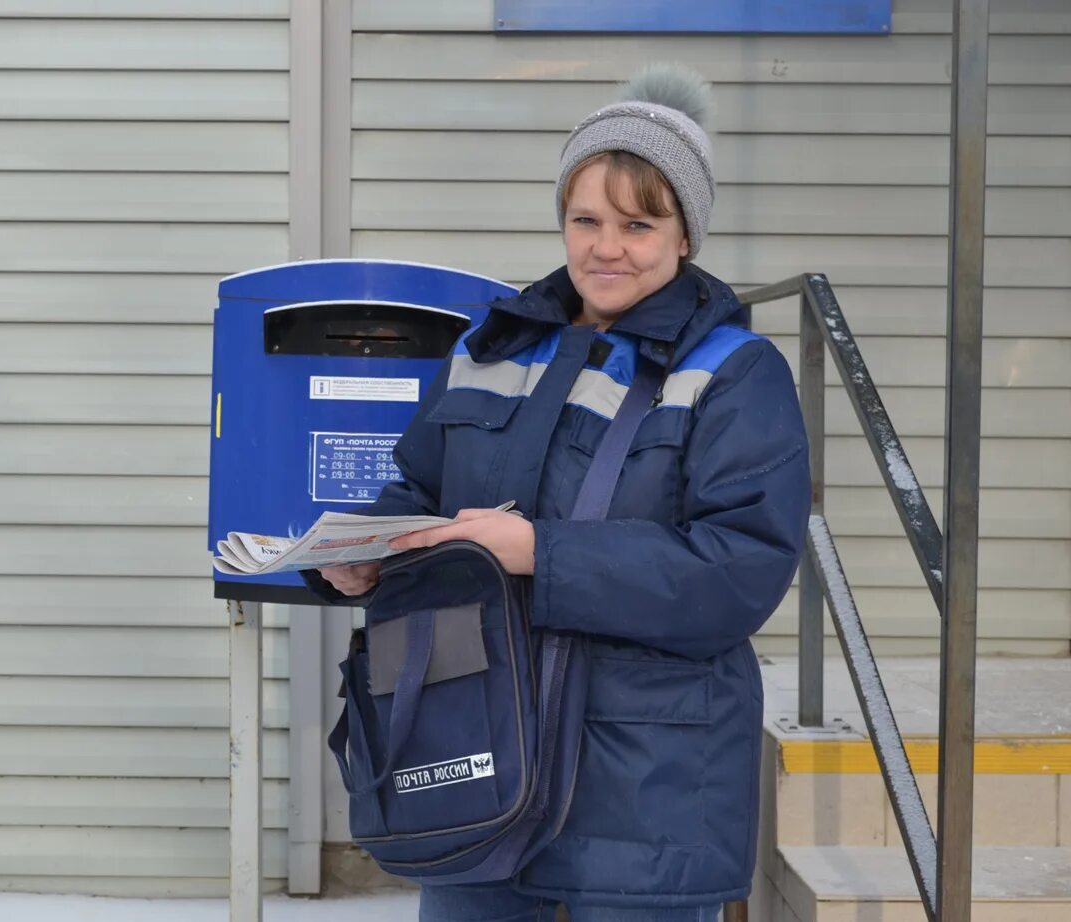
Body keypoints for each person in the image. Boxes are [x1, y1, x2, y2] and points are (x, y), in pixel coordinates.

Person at [311, 65, 811, 922]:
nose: (605, 247)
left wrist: (543, 553)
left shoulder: (734, 373)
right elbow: (419, 486)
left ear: (685, 234)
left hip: (641, 792)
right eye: (586, 220)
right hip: (475, 757)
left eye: (638, 224)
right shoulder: (492, 349)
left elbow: (738, 573)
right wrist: (360, 551)